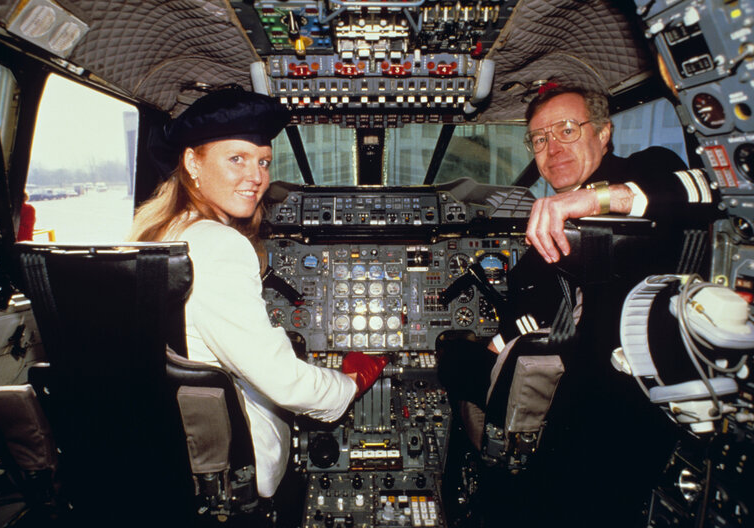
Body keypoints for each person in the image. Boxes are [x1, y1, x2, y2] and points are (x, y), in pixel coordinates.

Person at [439, 86, 719, 527]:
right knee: (464, 355)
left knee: (450, 351)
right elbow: (530, 310)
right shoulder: (544, 239)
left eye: (567, 129)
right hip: (565, 390)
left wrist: (591, 200)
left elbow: (704, 189)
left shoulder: (647, 168)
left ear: (604, 133)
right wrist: (499, 343)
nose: (552, 147)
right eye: (539, 139)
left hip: (610, 411)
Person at [127, 86, 387, 501]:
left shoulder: (154, 233)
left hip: (160, 439)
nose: (257, 177)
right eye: (237, 159)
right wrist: (350, 383)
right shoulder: (218, 244)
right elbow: (285, 383)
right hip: (222, 453)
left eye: (264, 162)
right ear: (192, 161)